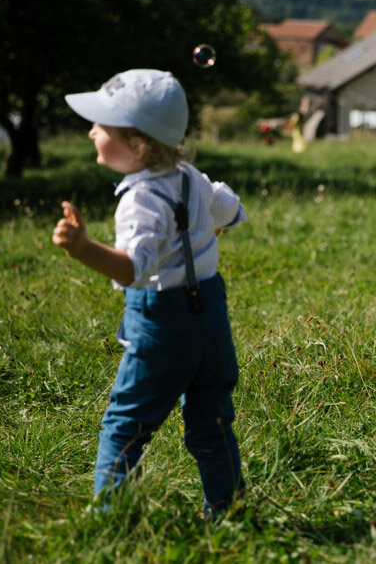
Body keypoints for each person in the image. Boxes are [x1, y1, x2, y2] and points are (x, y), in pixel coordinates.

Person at [52, 69, 247, 514]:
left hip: (163, 330)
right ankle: (228, 510)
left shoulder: (140, 199)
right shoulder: (192, 178)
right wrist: (210, 225)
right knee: (213, 424)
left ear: (137, 145)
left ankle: (111, 517)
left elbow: (134, 268)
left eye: (100, 126)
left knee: (124, 426)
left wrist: (83, 248)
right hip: (212, 326)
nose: (90, 132)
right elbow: (231, 209)